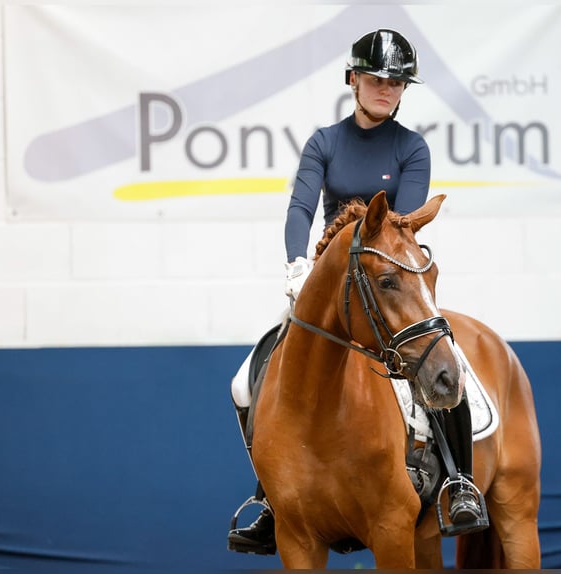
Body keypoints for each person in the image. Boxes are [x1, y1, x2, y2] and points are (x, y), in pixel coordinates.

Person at [227, 29, 487, 556]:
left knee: (451, 368)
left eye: (396, 82)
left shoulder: (411, 148)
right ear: (353, 80)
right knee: (244, 383)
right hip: (327, 279)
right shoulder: (324, 141)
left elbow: (401, 221)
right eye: (375, 79)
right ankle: (272, 497)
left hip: (386, 275)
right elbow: (300, 207)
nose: (386, 89)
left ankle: (457, 479)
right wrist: (298, 264)